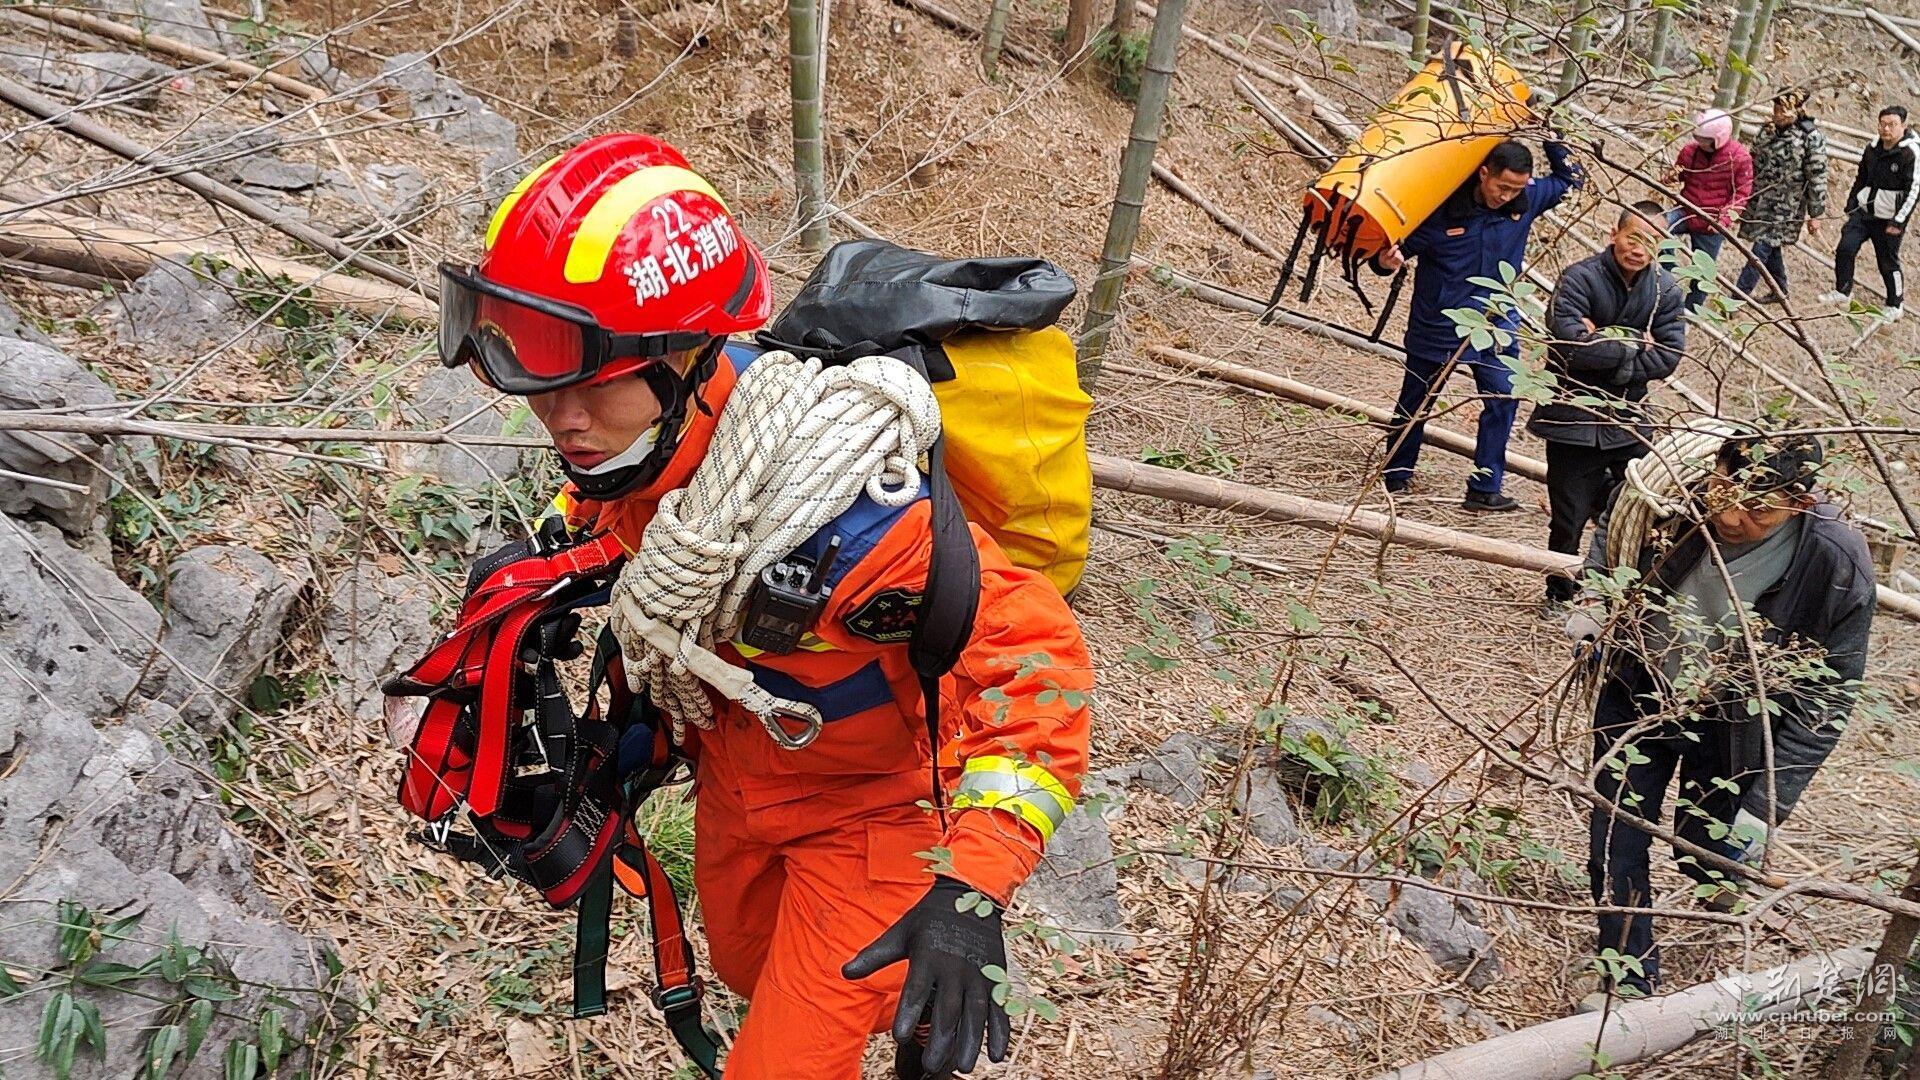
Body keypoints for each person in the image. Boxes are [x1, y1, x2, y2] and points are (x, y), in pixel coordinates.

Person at [435, 134, 1092, 1079]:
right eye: (533, 368)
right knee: (747, 964)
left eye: (583, 376)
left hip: (871, 818)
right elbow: (613, 512)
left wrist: (972, 890)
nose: (555, 413)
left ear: (685, 358)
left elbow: (1044, 676)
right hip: (741, 795)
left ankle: (897, 1000)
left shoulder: (854, 515)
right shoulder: (645, 452)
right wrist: (550, 558)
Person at [1568, 430, 1874, 1004]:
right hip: (1639, 689)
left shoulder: (1835, 563)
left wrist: (1766, 806)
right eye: (1724, 489)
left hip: (1732, 722)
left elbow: (1827, 697)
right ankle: (1628, 974)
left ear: (1801, 502)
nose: (1731, 515)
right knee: (1617, 828)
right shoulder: (1675, 498)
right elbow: (1617, 524)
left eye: (1758, 507)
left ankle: (1719, 879)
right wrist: (1594, 596)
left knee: (1702, 841)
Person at [1374, 136, 1584, 511]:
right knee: (1417, 400)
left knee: (1503, 396)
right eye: (1502, 186)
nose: (1507, 196)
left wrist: (1552, 134)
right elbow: (1390, 254)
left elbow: (1572, 179)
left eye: (1516, 188)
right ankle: (1395, 475)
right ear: (1483, 173)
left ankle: (1485, 487)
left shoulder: (1527, 199)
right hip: (1439, 321)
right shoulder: (1441, 207)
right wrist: (1386, 262)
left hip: (1496, 320)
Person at [1528, 200, 1685, 606]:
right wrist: (1634, 348)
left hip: (1629, 416)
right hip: (1572, 414)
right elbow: (1569, 347)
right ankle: (1559, 594)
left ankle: (1632, 594)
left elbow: (1668, 356)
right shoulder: (1579, 278)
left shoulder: (1665, 290)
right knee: (1568, 517)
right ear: (1614, 234)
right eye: (1633, 237)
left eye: (1651, 242)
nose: (1639, 249)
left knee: (1651, 505)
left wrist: (1605, 346)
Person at [1819, 104, 1918, 320]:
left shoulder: (1910, 153)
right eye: (1882, 124)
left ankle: (1895, 303)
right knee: (1845, 248)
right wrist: (1852, 201)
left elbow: (1914, 190)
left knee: (1887, 261)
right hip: (1864, 212)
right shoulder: (1872, 148)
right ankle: (1842, 291)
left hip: (1890, 218)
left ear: (1903, 125)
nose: (1886, 130)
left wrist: (1899, 221)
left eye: (1891, 125)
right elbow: (1861, 177)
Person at [1735, 91, 1828, 303]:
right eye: (1775, 108)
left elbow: (1817, 176)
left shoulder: (1811, 137)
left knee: (1762, 246)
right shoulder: (1768, 130)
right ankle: (1780, 289)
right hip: (1760, 199)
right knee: (1770, 245)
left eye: (1783, 109)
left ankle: (1738, 296)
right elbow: (1754, 160)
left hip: (1786, 205)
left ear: (1798, 109)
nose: (1778, 114)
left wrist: (1816, 213)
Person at [1663, 108, 1754, 312]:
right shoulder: (1690, 152)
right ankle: (1667, 277)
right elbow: (1679, 174)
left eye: (1704, 139)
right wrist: (1669, 177)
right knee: (1659, 227)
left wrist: (1724, 220)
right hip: (1686, 210)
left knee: (1704, 272)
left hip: (1711, 222)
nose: (1699, 142)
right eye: (1697, 137)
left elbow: (1741, 194)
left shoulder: (1739, 158)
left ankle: (1690, 311)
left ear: (1719, 138)